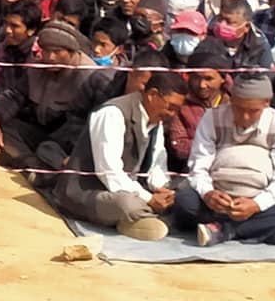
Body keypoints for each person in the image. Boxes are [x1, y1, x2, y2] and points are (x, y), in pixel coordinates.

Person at [51, 73, 187, 241]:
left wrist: (163, 192)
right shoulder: (113, 113)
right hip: (89, 192)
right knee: (127, 204)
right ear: (152, 95)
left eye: (177, 110)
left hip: (130, 189)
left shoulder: (156, 121)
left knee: (183, 197)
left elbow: (156, 166)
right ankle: (139, 218)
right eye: (171, 107)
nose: (173, 114)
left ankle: (137, 219)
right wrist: (149, 198)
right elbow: (109, 172)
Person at [172, 74, 275, 246]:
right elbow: (198, 167)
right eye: (239, 109)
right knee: (184, 201)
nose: (245, 117)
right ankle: (265, 230)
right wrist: (208, 193)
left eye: (253, 111)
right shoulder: (212, 118)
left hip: (259, 195)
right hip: (220, 196)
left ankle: (226, 230)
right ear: (231, 100)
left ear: (266, 103)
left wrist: (257, 204)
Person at [0, 21, 96, 167]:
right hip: (40, 128)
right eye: (46, 51)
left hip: (66, 139)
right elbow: (14, 95)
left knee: (50, 150)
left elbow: (84, 123)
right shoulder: (38, 65)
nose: (51, 57)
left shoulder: (89, 76)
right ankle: (32, 164)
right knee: (5, 128)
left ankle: (31, 162)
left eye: (57, 51)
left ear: (72, 51)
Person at [166, 48, 230, 172]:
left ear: (223, 79)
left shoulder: (233, 104)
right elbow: (179, 146)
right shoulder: (180, 104)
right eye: (196, 78)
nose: (201, 85)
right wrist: (216, 148)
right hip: (190, 170)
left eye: (209, 79)